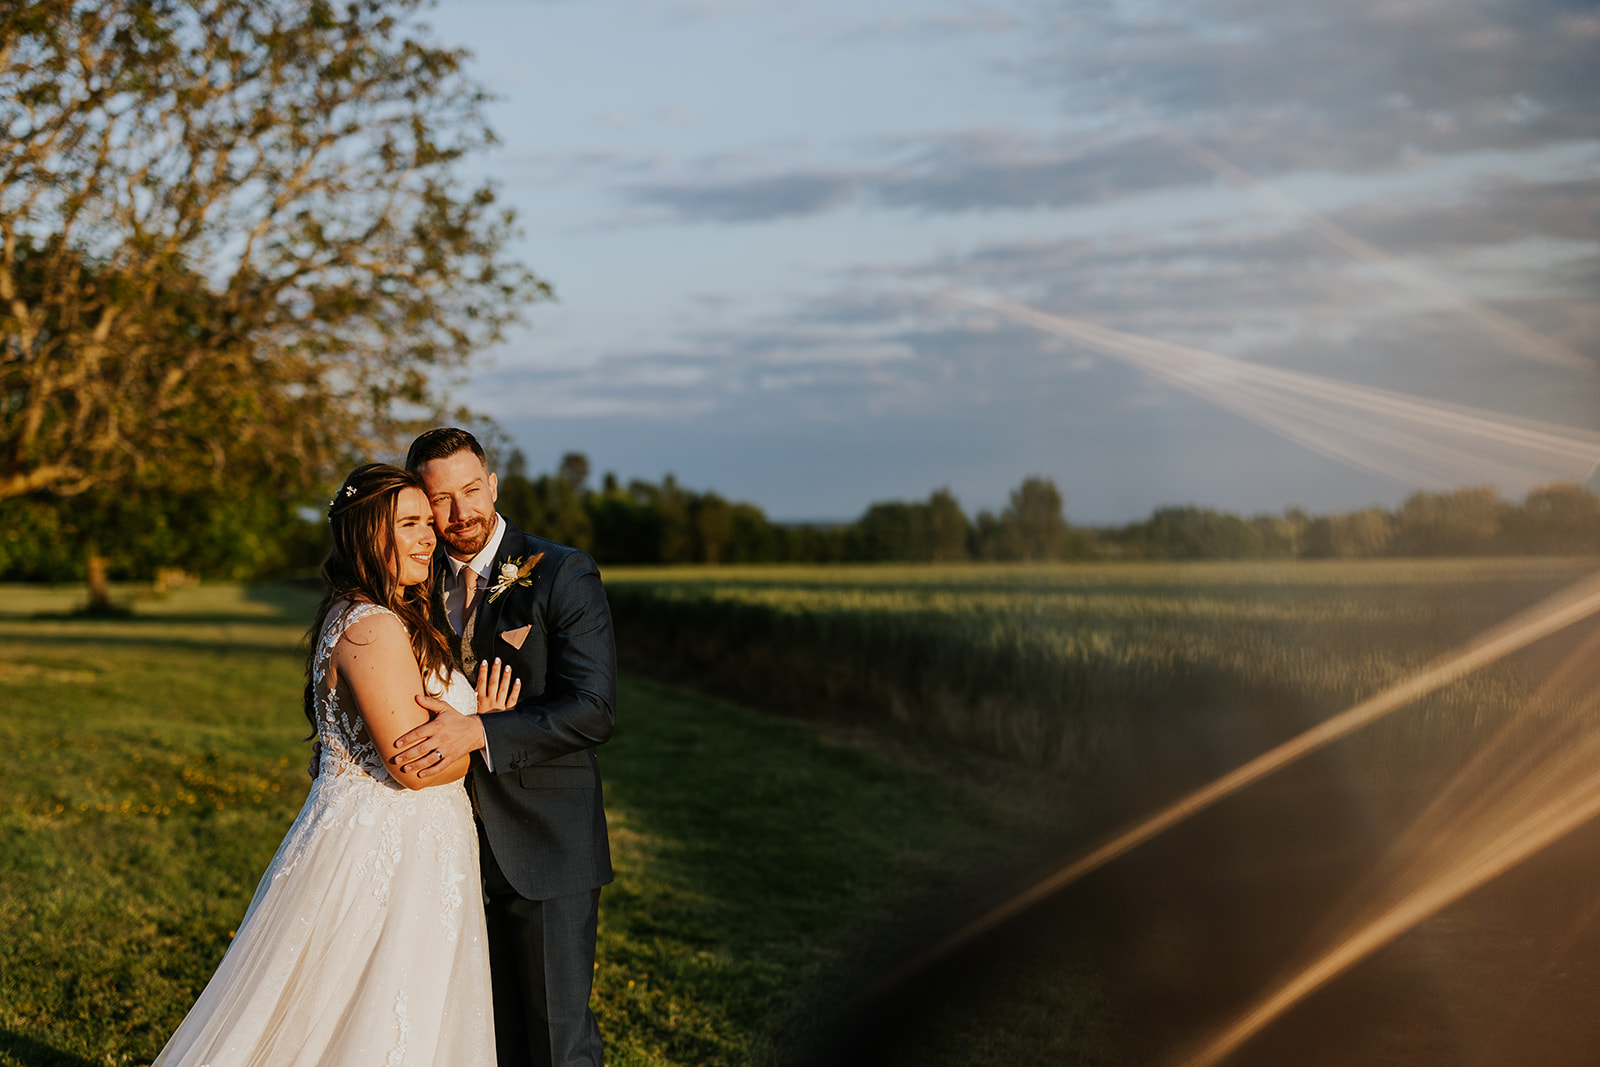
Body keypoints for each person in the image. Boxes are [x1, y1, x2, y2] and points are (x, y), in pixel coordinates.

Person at [151, 463, 521, 1066]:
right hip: (386, 846)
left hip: (413, 842)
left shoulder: (386, 614)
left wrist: (463, 722)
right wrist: (481, 732)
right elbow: (412, 767)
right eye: (410, 525)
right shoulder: (372, 626)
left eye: (428, 523)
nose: (430, 537)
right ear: (368, 536)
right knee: (367, 1008)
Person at [387, 428, 617, 1067]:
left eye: (471, 490)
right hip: (447, 847)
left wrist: (481, 730)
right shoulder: (413, 581)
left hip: (546, 843)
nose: (461, 513)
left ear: (493, 485)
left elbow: (594, 709)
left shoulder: (562, 572)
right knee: (483, 1040)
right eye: (440, 500)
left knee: (557, 1044)